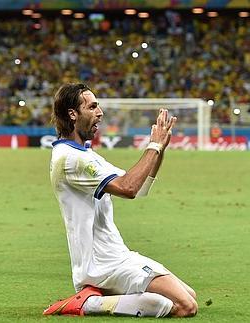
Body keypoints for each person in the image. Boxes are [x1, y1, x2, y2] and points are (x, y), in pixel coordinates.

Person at [44, 83, 197, 317]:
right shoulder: (70, 158)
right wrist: (153, 145)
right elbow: (128, 188)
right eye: (92, 106)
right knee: (186, 306)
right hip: (104, 263)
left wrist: (160, 147)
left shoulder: (85, 155)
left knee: (189, 296)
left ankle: (98, 295)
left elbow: (140, 186)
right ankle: (88, 303)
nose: (100, 112)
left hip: (116, 255)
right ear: (72, 114)